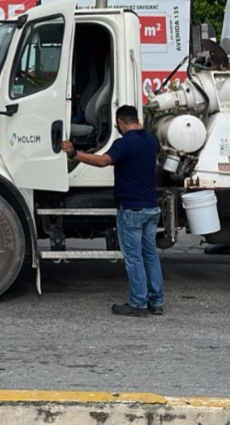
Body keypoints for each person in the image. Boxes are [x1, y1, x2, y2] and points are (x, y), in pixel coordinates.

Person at [62, 105, 164, 318]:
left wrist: (74, 153)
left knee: (134, 257)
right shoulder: (151, 140)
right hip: (151, 207)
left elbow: (103, 161)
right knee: (150, 255)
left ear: (119, 122)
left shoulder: (124, 143)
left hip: (132, 209)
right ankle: (156, 301)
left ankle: (138, 303)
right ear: (136, 119)